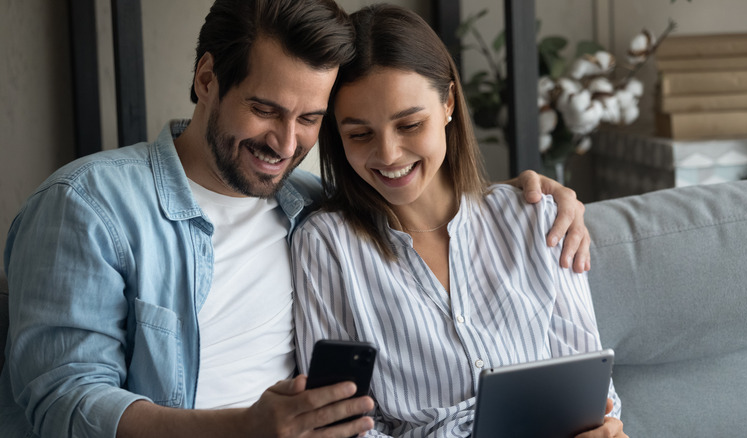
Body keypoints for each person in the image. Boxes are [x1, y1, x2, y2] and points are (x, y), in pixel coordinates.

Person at [1, 1, 590, 437]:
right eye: (265, 110)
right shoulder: (90, 204)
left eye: (309, 119)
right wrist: (244, 429)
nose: (285, 145)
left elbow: (422, 198)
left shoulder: (306, 205)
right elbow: (62, 403)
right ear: (206, 79)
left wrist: (523, 199)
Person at [292, 4, 625, 438]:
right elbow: (340, 426)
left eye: (410, 124)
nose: (388, 154)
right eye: (359, 134)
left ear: (448, 102)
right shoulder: (326, 245)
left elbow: (593, 390)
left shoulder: (538, 218)